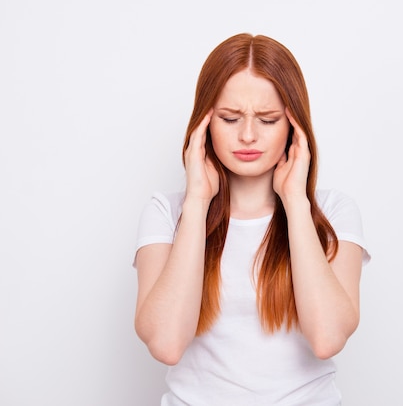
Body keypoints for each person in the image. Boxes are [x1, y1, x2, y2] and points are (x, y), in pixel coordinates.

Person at [133, 33, 370, 405]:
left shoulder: (333, 213)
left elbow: (327, 337)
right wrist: (197, 201)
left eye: (267, 119)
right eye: (229, 118)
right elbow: (165, 344)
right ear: (204, 123)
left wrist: (295, 201)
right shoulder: (166, 213)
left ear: (294, 125)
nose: (247, 135)